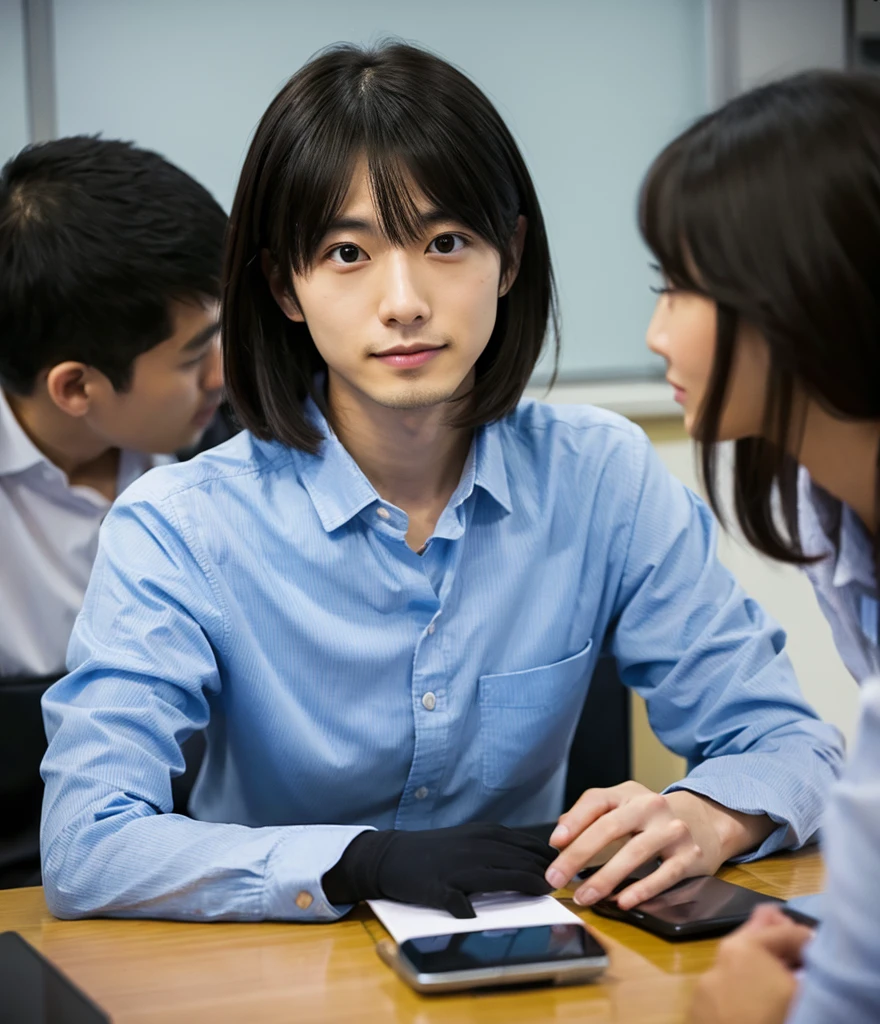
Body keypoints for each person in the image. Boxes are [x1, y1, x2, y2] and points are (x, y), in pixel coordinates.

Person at [40, 42, 842, 924]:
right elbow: (87, 844)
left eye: (446, 242)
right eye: (348, 252)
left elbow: (788, 740)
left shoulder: (601, 477)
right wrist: (356, 863)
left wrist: (706, 816)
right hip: (271, 973)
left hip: (531, 962)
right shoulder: (179, 526)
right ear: (284, 285)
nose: (405, 300)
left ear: (509, 257)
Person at [637, 70, 880, 1024]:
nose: (656, 333)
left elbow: (802, 745)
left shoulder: (608, 473)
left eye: (679, 290)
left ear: (797, 296)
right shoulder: (833, 514)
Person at [0, 135, 228, 887]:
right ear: (76, 388)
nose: (225, 375)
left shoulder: (249, 442)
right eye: (196, 356)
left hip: (222, 869)